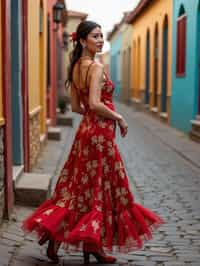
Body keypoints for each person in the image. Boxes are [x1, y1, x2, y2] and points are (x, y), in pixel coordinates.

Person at [22, 20, 164, 264]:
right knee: (100, 186)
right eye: (95, 36)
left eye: (101, 36)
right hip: (100, 135)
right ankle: (92, 246)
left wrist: (94, 116)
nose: (100, 40)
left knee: (77, 187)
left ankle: (68, 242)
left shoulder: (76, 67)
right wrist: (118, 117)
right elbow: (96, 104)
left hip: (86, 132)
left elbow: (79, 106)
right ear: (82, 40)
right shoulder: (96, 67)